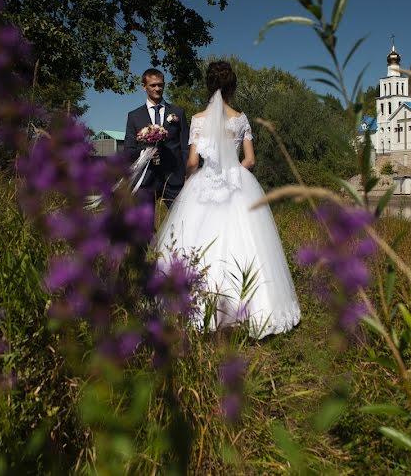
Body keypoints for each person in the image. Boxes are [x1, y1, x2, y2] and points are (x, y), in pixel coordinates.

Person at [154, 61, 300, 338]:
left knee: (194, 241)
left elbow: (194, 160)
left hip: (205, 183)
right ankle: (254, 309)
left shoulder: (198, 120)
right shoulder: (240, 118)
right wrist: (232, 173)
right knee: (247, 242)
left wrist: (191, 179)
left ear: (209, 87)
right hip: (237, 184)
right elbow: (250, 160)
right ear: (232, 87)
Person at [123, 68, 189, 210]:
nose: (157, 89)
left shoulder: (177, 113)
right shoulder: (134, 116)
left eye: (160, 85)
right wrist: (145, 153)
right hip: (146, 179)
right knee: (144, 227)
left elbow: (185, 147)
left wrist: (188, 174)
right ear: (144, 87)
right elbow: (129, 150)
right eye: (153, 85)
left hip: (174, 177)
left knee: (182, 222)